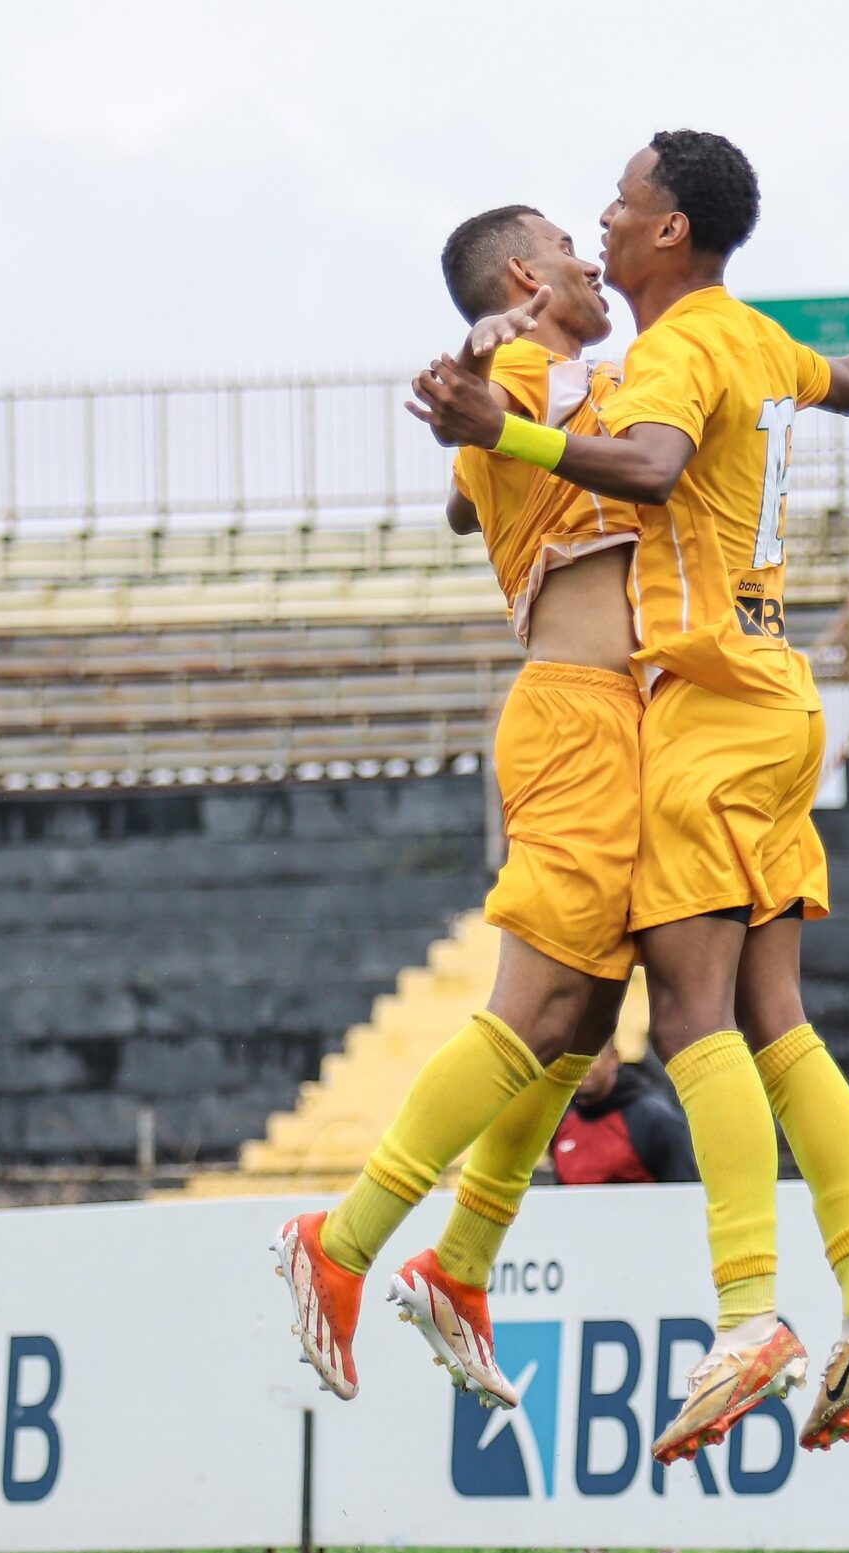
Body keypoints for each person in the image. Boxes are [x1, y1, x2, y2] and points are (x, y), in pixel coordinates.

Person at [408, 130, 849, 1461]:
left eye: (622, 202)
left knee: (687, 1011)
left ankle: (751, 1312)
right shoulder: (758, 341)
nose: (605, 217)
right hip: (777, 693)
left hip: (695, 706)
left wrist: (498, 425)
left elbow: (638, 468)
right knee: (776, 1015)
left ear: (667, 235)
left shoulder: (681, 353)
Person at [275, 207, 645, 1414]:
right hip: (578, 717)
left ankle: (464, 1262)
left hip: (613, 723)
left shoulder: (559, 373)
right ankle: (343, 1240)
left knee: (583, 1022)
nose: (597, 262)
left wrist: (483, 439)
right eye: (573, 250)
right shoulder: (532, 356)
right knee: (535, 1006)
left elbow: (463, 496)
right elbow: (505, 409)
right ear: (532, 274)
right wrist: (494, 360)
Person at [545, 1042, 699, 1186]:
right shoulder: (558, 1121)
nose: (582, 1067)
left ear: (614, 1058)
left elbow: (684, 1197)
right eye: (572, 1057)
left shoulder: (656, 1120)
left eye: (593, 1056)